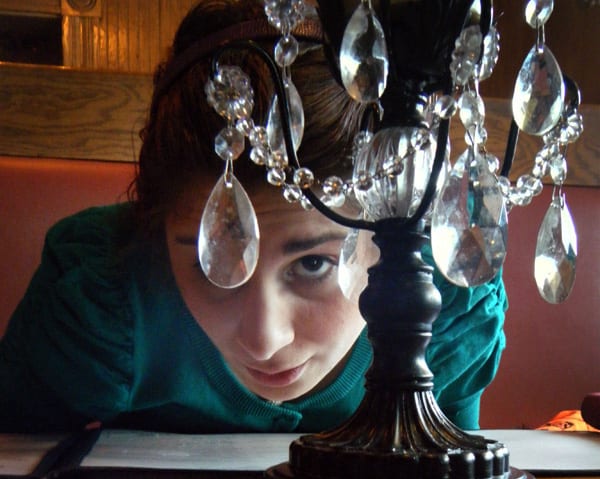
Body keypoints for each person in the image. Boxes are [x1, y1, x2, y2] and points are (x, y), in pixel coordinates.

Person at [0, 0, 506, 434]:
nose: (266, 341)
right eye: (212, 263)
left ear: (394, 221)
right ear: (155, 223)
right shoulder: (96, 304)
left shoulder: (449, 299)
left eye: (313, 264)